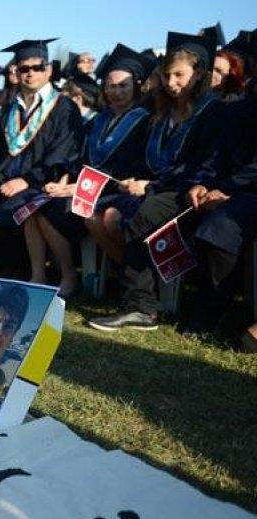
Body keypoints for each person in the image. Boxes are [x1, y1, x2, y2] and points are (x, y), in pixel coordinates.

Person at [89, 31, 226, 332]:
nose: (171, 83)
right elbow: (148, 160)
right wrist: (136, 180)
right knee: (109, 212)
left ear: (199, 74)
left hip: (191, 191)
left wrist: (151, 187)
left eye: (179, 75)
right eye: (166, 75)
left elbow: (204, 164)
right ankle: (139, 300)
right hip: (159, 188)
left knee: (142, 214)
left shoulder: (213, 111)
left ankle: (139, 306)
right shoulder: (161, 112)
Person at [0, 38, 83, 296]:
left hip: (45, 184)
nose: (30, 73)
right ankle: (24, 275)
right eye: (24, 69)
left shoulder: (64, 107)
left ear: (48, 70)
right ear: (16, 72)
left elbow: (64, 154)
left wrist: (27, 180)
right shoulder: (11, 110)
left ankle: (33, 274)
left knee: (18, 210)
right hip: (9, 184)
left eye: (37, 67)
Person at [185, 78, 257, 335]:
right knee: (188, 211)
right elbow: (216, 155)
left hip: (248, 191)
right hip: (232, 189)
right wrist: (202, 183)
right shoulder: (238, 109)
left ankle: (211, 310)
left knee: (221, 226)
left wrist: (227, 188)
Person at [82, 44, 154, 265]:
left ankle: (134, 272)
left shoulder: (145, 120)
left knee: (112, 218)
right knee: (90, 218)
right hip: (104, 188)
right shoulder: (99, 120)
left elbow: (143, 163)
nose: (117, 92)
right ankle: (126, 269)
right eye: (111, 86)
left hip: (129, 188)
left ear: (136, 86)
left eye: (123, 86)